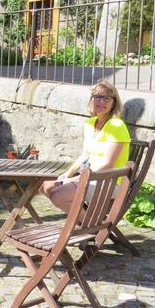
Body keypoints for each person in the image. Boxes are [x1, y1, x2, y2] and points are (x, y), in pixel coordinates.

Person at [41, 81, 130, 213]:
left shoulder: (117, 125)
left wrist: (75, 179)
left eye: (107, 98)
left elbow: (108, 164)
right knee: (45, 186)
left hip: (109, 180)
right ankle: (86, 219)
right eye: (97, 97)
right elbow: (85, 154)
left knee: (58, 195)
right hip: (90, 176)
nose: (101, 101)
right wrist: (67, 174)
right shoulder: (90, 123)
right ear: (91, 100)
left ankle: (87, 223)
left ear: (114, 102)